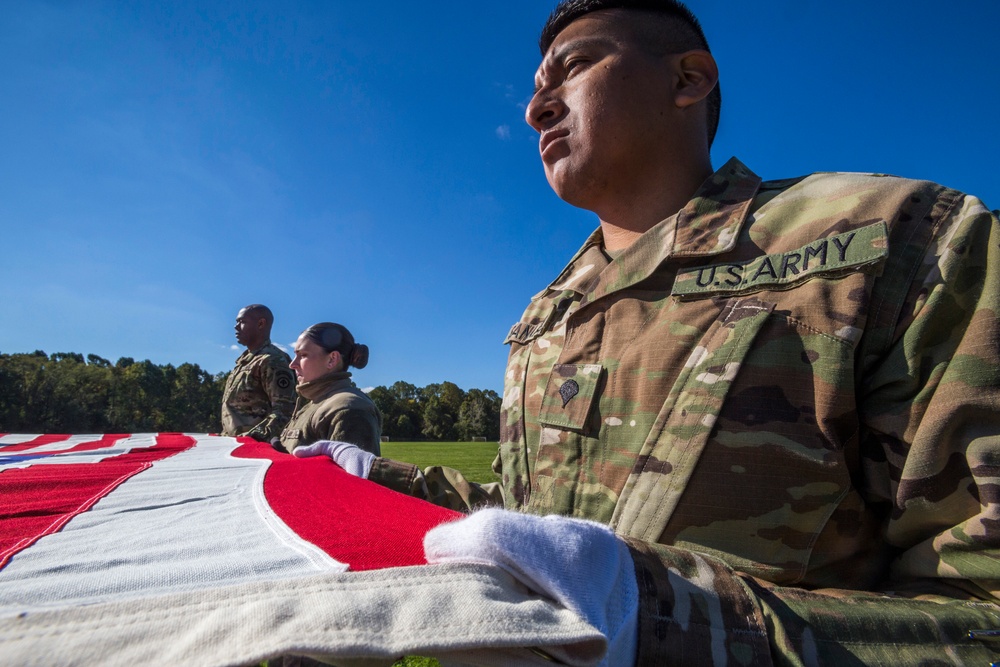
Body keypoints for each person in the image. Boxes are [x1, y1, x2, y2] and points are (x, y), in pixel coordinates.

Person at [296, 1, 1000, 664]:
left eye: (574, 67)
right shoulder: (547, 314)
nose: (536, 105)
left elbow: (981, 611)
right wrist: (375, 482)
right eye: (537, 86)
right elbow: (531, 524)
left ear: (688, 79)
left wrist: (665, 623)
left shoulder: (895, 240)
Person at [279, 322, 382, 456]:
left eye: (303, 355)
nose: (292, 364)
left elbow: (351, 475)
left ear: (332, 360)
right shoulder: (316, 403)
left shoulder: (348, 408)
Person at [220, 304, 297, 442]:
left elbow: (284, 411)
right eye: (237, 321)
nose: (236, 326)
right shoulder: (245, 361)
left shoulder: (272, 360)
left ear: (261, 324)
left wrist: (254, 439)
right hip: (234, 445)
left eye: (242, 322)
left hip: (256, 448)